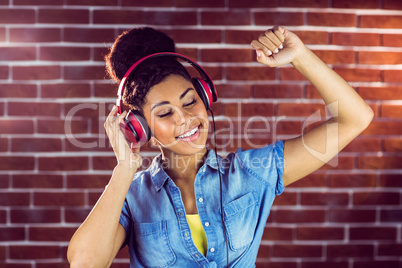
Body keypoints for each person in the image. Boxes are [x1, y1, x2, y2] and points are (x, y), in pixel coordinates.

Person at [67, 26, 373, 268]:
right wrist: (124, 170)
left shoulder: (252, 173)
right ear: (140, 129)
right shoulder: (132, 195)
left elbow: (355, 118)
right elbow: (85, 262)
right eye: (164, 113)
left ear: (206, 97)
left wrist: (301, 56)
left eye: (190, 102)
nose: (186, 118)